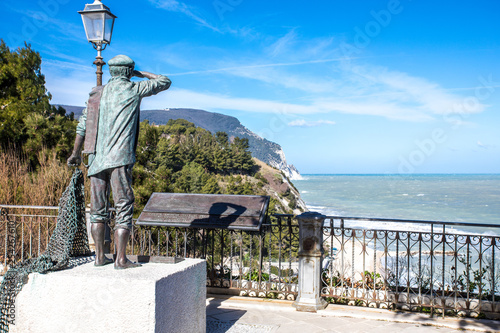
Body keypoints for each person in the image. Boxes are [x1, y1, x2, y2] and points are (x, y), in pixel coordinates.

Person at [67, 55, 171, 269]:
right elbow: (164, 81)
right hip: (120, 158)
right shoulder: (133, 89)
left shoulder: (97, 94)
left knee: (98, 210)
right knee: (124, 206)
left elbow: (82, 126)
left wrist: (75, 154)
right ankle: (121, 259)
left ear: (112, 71)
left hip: (95, 159)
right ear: (127, 71)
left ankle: (99, 257)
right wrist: (139, 73)